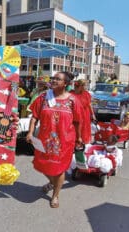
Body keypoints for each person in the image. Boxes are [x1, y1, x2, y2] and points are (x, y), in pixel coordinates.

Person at [26, 71, 82, 208]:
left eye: (58, 79)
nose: (54, 80)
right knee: (41, 164)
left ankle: (55, 195)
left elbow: (77, 122)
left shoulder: (73, 100)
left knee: (59, 169)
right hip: (44, 140)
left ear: (66, 83)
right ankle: (53, 183)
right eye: (53, 78)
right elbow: (34, 116)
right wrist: (30, 132)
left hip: (64, 141)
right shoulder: (44, 97)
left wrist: (79, 137)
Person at [70, 79, 96, 144]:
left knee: (83, 129)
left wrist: (92, 114)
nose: (86, 87)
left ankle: (82, 145)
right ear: (81, 86)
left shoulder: (86, 94)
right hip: (74, 114)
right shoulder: (71, 93)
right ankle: (74, 142)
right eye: (85, 85)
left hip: (85, 114)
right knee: (74, 128)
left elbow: (89, 104)